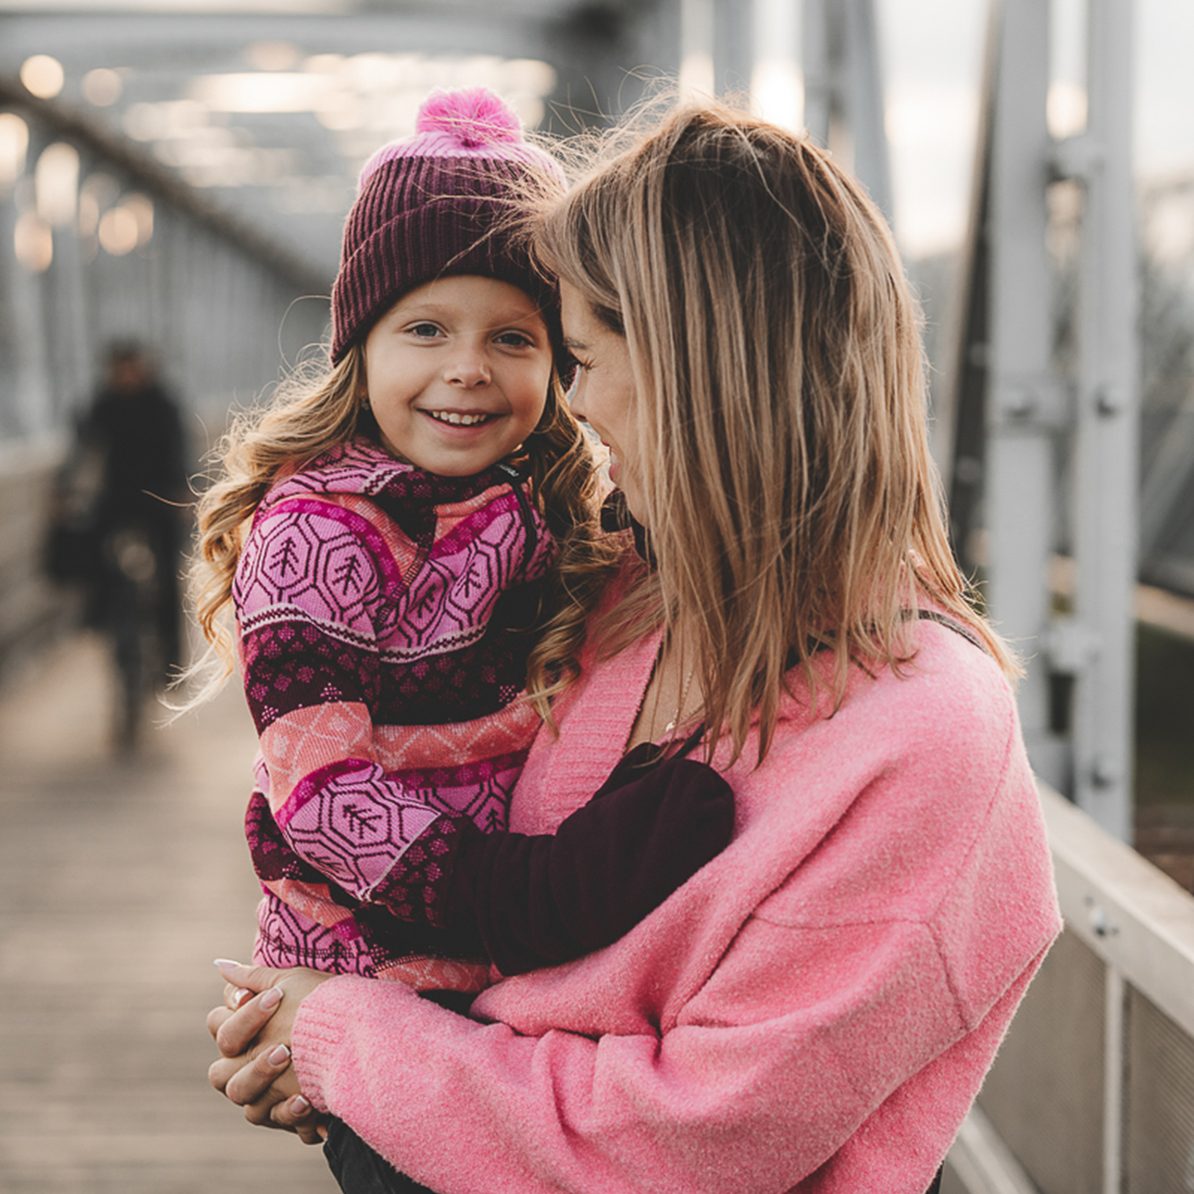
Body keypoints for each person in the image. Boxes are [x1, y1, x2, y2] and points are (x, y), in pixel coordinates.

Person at [206, 100, 1062, 1193]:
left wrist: (342, 1039)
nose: (571, 402)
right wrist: (317, 1021)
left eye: (574, 354)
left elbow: (689, 1142)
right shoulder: (612, 600)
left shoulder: (925, 737)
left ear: (701, 375)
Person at [191, 83, 732, 1051]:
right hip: (375, 952)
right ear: (359, 347)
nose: (469, 368)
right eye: (426, 329)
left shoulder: (538, 507)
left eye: (515, 338)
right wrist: (506, 896)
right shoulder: (317, 535)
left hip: (494, 970)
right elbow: (316, 792)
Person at [61, 340, 188, 671]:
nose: (125, 375)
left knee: (168, 576)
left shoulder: (162, 403)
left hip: (160, 498)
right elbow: (81, 448)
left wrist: (183, 492)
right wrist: (64, 490)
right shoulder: (103, 404)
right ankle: (97, 614)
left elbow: (179, 451)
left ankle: (172, 660)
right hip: (117, 499)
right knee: (92, 549)